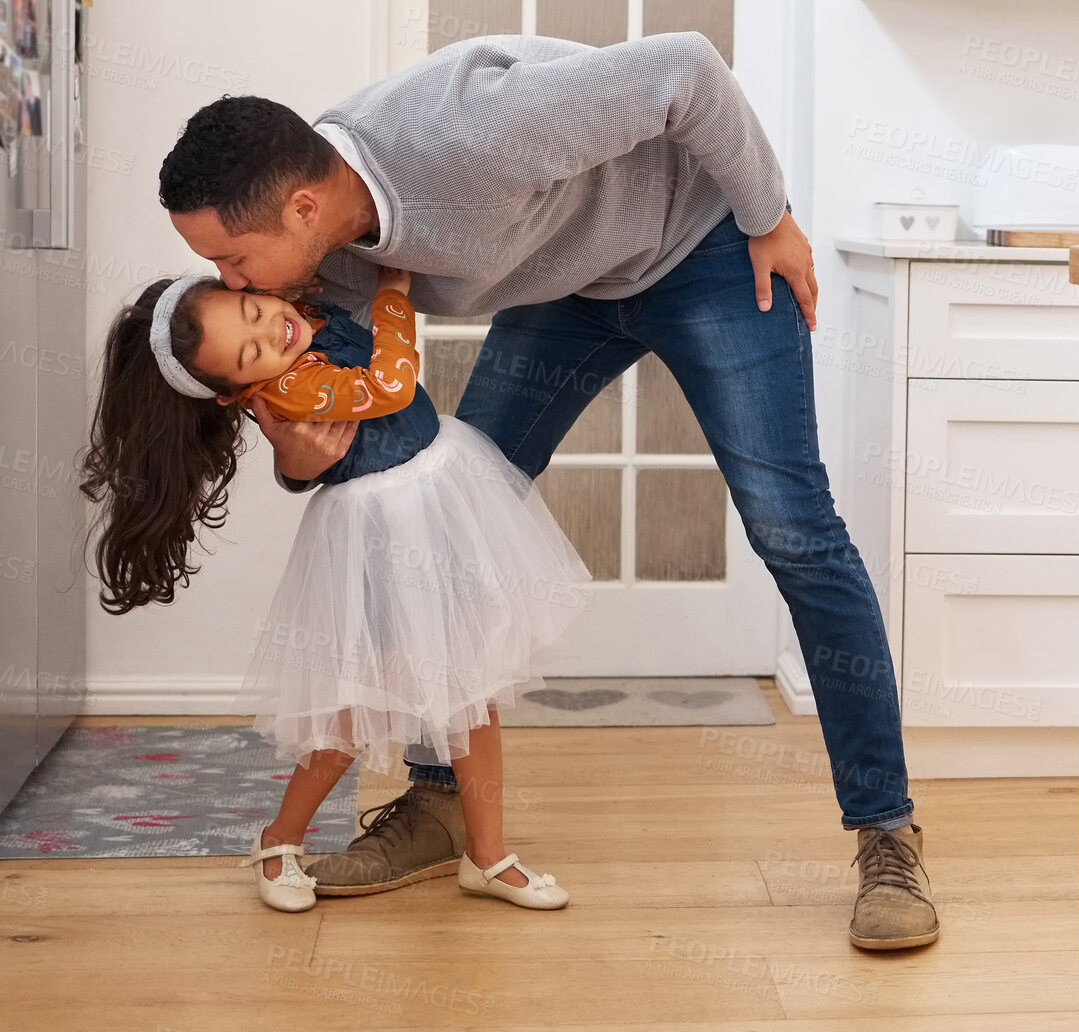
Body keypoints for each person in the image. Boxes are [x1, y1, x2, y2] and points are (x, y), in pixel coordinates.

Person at [155, 30, 939, 949]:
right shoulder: (324, 253)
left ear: (300, 206)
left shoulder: (473, 134)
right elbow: (369, 442)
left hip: (705, 254)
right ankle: (442, 805)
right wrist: (299, 460)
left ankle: (885, 830)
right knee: (450, 516)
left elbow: (686, 67)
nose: (228, 283)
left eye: (237, 261)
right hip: (569, 289)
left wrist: (769, 216)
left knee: (792, 527)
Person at [79, 266, 589, 913]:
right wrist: (394, 302)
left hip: (439, 493)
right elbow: (390, 383)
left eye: (254, 312)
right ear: (241, 393)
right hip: (382, 530)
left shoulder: (303, 311)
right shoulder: (293, 385)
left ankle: (486, 854)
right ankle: (279, 838)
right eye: (251, 353)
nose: (273, 331)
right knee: (354, 707)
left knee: (473, 691)